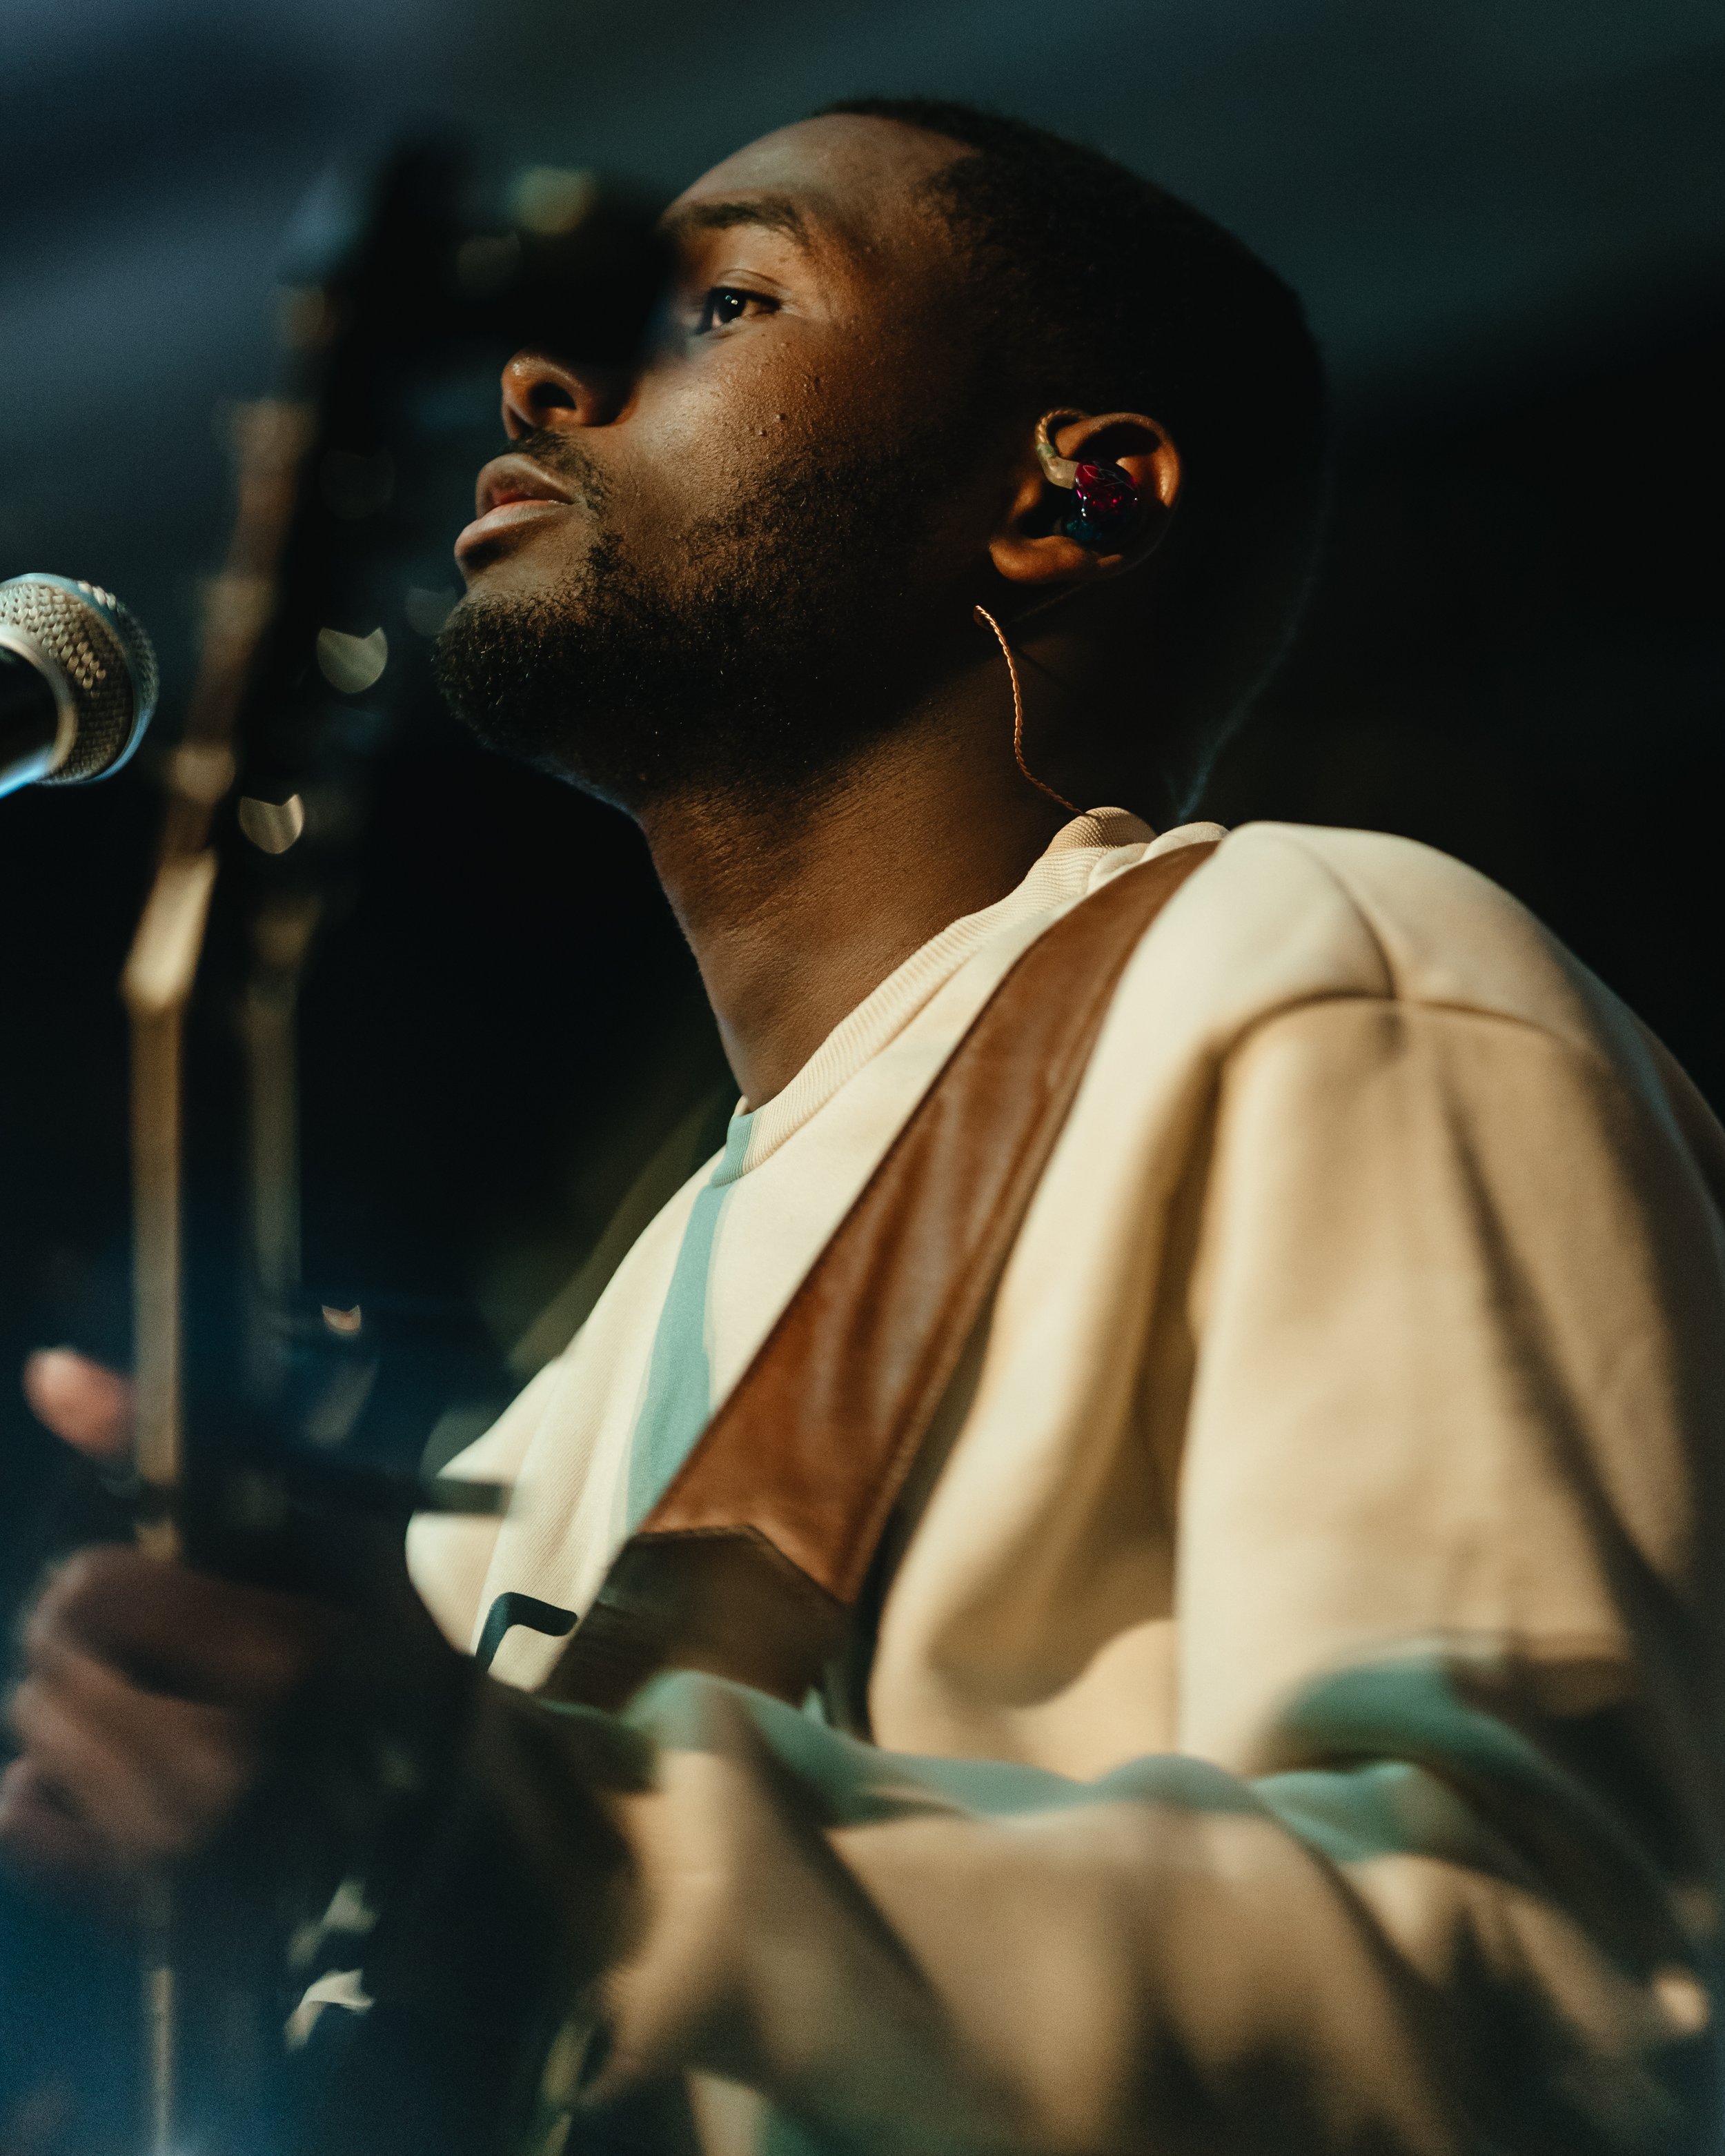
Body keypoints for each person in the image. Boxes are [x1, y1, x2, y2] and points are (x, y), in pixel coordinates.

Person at [5, 98, 1724, 2156]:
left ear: (1077, 492)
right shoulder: (556, 1412)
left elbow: (1549, 2018)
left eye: (725, 300)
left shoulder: (1305, 957)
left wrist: (546, 1856)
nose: (543, 378)